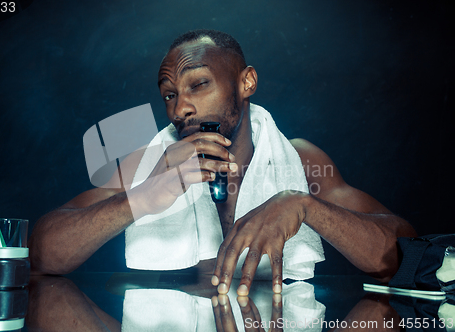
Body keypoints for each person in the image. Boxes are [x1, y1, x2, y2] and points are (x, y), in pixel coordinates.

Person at [28, 29, 417, 296]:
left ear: (246, 83)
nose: (180, 109)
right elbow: (43, 252)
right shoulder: (150, 162)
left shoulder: (300, 159)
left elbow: (407, 251)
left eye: (198, 84)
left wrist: (303, 205)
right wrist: (143, 197)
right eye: (168, 95)